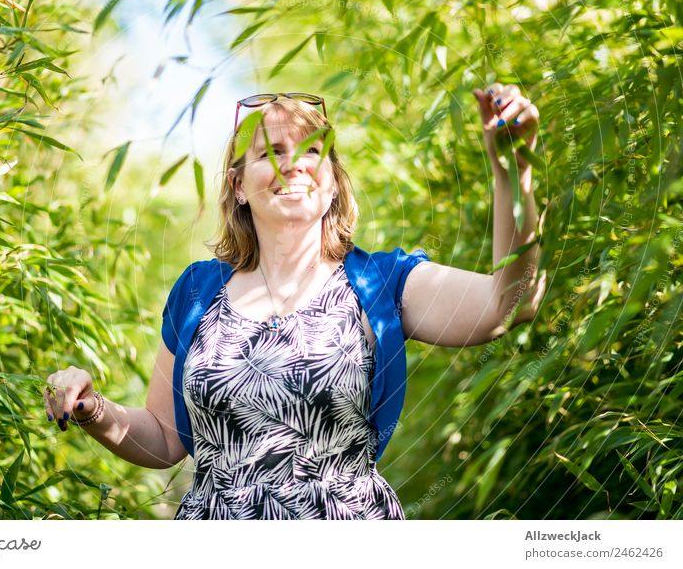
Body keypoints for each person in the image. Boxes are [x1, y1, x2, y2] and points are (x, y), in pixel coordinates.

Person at [43, 85, 546, 519]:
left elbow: (508, 302)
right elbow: (164, 439)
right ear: (239, 186)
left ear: (331, 185)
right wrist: (93, 410)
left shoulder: (380, 283)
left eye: (311, 152)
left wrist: (513, 169)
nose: (293, 164)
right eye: (271, 152)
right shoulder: (197, 292)